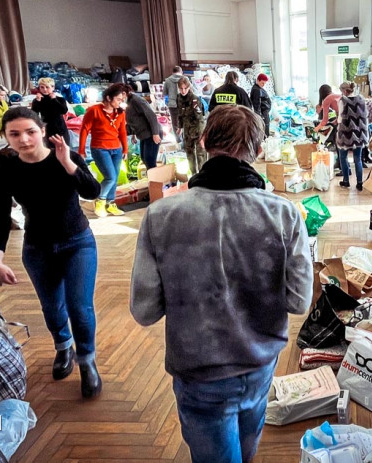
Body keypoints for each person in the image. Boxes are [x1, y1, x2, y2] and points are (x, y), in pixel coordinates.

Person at [130, 105, 312, 463]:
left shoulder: (161, 215)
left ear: (202, 141)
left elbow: (145, 311)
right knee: (245, 452)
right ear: (258, 151)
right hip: (260, 362)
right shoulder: (284, 213)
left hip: (199, 369)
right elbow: (299, 301)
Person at [0, 107, 103, 399]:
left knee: (80, 307)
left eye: (30, 132)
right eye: (14, 134)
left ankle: (87, 361)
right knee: (52, 308)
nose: (24, 139)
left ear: (42, 131)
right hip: (38, 248)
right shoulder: (5, 174)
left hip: (78, 242)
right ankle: (63, 347)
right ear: (5, 137)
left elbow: (93, 192)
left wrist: (69, 165)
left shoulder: (66, 157)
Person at [78, 84, 129, 218]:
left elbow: (122, 131)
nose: (120, 102)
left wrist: (125, 149)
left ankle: (110, 203)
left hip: (116, 149)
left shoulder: (120, 113)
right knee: (110, 176)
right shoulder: (94, 110)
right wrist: (81, 150)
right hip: (100, 148)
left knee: (115, 177)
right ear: (108, 98)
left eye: (122, 99)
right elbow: (84, 130)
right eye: (118, 99)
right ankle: (100, 200)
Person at [336, 81, 369, 191]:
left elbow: (340, 118)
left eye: (341, 91)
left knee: (343, 157)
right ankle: (359, 183)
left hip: (345, 133)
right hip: (359, 133)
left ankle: (346, 181)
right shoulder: (361, 99)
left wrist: (337, 122)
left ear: (345, 91)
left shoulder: (342, 101)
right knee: (357, 159)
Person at [124, 89, 163, 170]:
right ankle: (153, 180)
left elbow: (151, 115)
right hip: (143, 134)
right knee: (144, 159)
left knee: (150, 161)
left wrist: (155, 133)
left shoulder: (136, 100)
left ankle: (156, 181)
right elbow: (135, 119)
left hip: (151, 133)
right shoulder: (129, 102)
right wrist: (134, 134)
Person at [177, 77, 207, 176]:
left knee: (200, 154)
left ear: (189, 87)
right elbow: (179, 114)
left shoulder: (194, 99)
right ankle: (194, 174)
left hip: (197, 129)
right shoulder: (179, 98)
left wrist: (202, 135)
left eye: (185, 88)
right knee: (189, 152)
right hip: (187, 129)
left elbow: (200, 118)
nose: (183, 91)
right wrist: (180, 127)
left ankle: (202, 174)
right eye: (181, 88)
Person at [30, 78, 70, 145]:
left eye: (47, 87)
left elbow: (63, 111)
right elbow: (34, 114)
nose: (45, 89)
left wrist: (54, 100)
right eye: (42, 87)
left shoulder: (60, 99)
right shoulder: (37, 100)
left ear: (53, 87)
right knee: (50, 149)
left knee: (64, 146)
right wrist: (37, 102)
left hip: (60, 127)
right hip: (47, 127)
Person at [163, 66, 187, 132]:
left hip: (172, 105)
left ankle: (178, 140)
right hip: (184, 104)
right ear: (181, 72)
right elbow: (192, 91)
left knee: (175, 123)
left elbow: (164, 93)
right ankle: (185, 139)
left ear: (172, 72)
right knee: (185, 122)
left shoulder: (167, 80)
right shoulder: (185, 79)